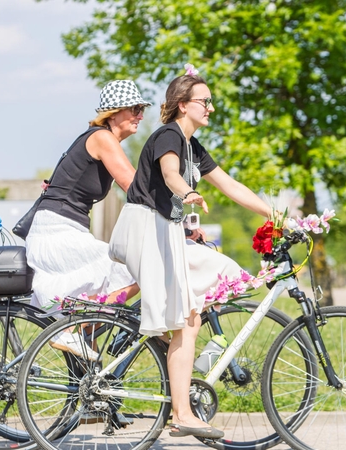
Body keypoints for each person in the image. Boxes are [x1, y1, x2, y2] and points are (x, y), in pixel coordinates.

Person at [108, 65, 272, 439]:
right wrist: (188, 193)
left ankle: (181, 399)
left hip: (161, 230)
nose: (211, 107)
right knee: (185, 317)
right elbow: (169, 175)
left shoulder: (192, 146)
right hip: (146, 228)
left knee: (191, 317)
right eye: (205, 101)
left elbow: (230, 185)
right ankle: (181, 412)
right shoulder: (168, 136)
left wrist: (277, 215)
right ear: (183, 105)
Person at [25, 80, 151, 360]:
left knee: (118, 279)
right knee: (137, 267)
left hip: (63, 227)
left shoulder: (103, 139)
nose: (141, 114)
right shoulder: (102, 137)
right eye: (135, 108)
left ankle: (90, 386)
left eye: (141, 108)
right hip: (56, 231)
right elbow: (134, 186)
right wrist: (175, 213)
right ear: (114, 112)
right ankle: (74, 329)